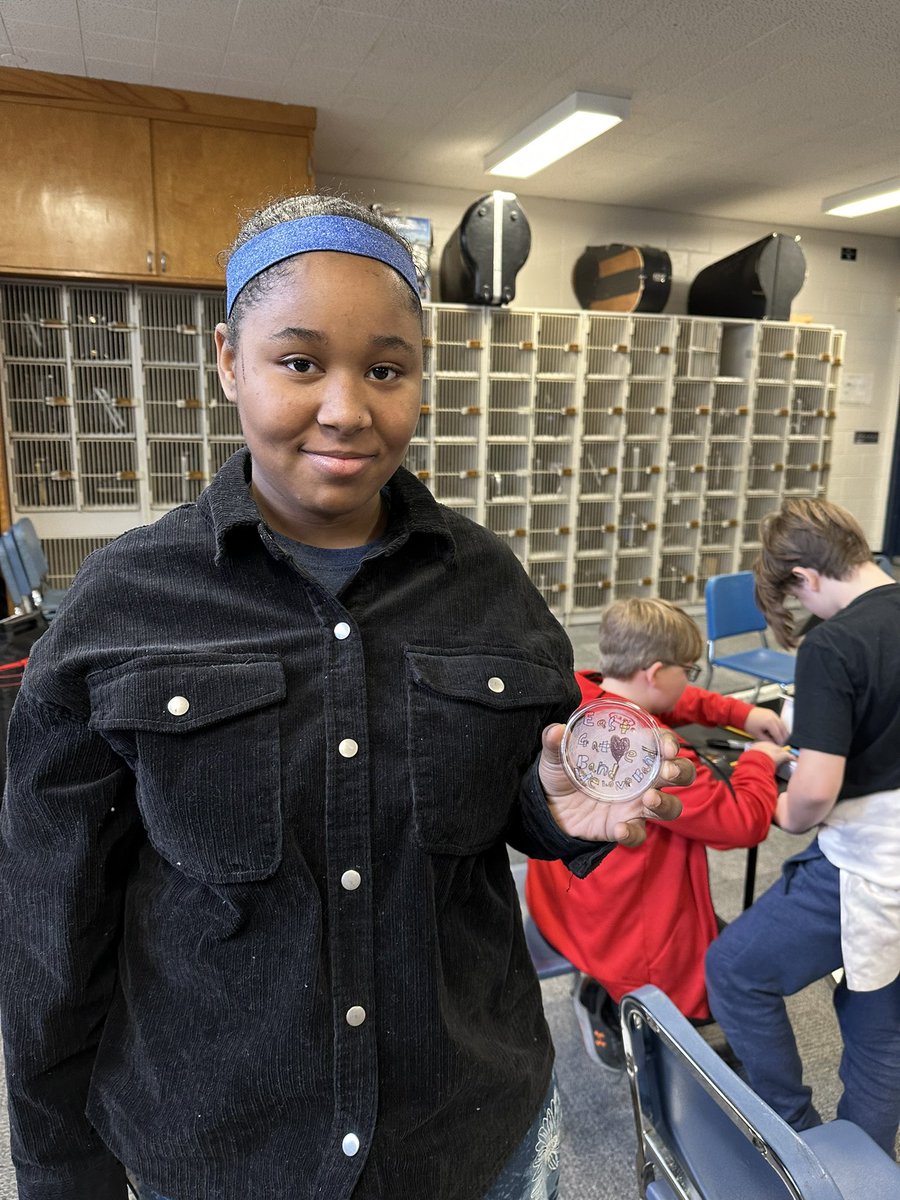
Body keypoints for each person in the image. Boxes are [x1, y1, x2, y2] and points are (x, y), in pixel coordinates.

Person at [0, 194, 691, 1200]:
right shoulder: (123, 608)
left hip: (468, 1134)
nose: (346, 408)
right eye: (299, 362)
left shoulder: (487, 586)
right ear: (231, 361)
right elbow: (45, 924)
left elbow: (513, 803)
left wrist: (551, 806)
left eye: (384, 368)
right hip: (223, 1148)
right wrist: (58, 1166)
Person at [706, 498, 900, 1157]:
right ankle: (863, 1175)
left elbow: (813, 794)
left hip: (872, 861)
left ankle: (793, 1136)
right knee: (880, 1025)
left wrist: (783, 810)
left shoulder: (834, 643)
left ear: (805, 579)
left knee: (734, 969)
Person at [526, 597, 791, 1070]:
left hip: (568, 905)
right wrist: (758, 761)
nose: (690, 680)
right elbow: (742, 822)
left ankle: (600, 992)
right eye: (688, 669)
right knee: (718, 995)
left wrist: (737, 712)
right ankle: (635, 1027)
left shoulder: (581, 694)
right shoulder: (653, 757)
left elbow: (669, 695)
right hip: (633, 932)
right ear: (653, 670)